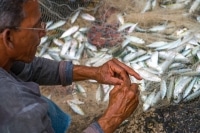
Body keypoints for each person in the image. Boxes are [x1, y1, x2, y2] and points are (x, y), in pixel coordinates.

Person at [0, 0, 142, 133]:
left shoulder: (5, 56)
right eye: (36, 26)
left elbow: (30, 68)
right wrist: (112, 118)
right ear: (8, 37)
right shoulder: (19, 110)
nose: (43, 32)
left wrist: (96, 72)